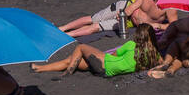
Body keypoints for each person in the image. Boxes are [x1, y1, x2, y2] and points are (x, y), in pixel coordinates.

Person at [32, 21, 164, 77]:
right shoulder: (155, 55)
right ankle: (39, 68)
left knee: (81, 47)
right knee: (74, 60)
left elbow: (113, 54)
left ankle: (67, 73)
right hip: (108, 72)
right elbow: (163, 64)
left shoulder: (131, 45)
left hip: (106, 64)